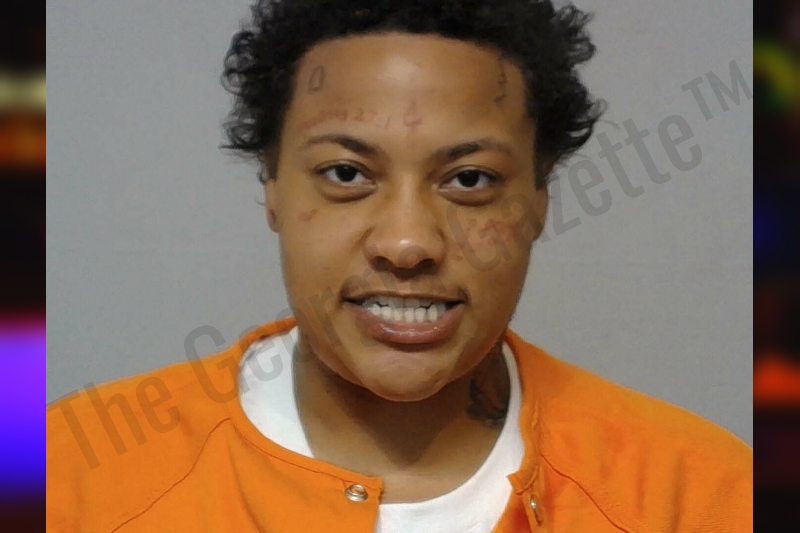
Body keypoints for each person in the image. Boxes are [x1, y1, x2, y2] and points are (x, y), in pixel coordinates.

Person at [46, 1, 753, 531]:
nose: (408, 244)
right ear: (272, 185)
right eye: (347, 173)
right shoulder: (70, 478)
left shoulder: (701, 494)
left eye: (470, 180)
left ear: (541, 197)